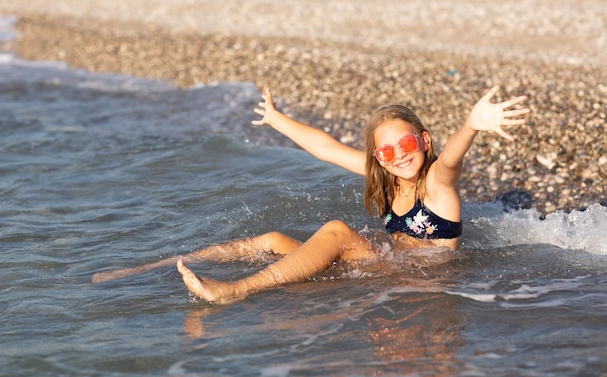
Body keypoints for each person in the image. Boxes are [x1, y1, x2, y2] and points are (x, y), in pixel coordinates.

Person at [92, 85, 528, 304]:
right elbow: (326, 147)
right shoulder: (390, 178)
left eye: (407, 145)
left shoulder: (437, 183)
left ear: (424, 141)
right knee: (272, 241)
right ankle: (147, 267)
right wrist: (278, 120)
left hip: (427, 279)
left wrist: (471, 125)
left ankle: (235, 291)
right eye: (386, 151)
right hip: (390, 267)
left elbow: (452, 160)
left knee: (336, 231)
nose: (398, 156)